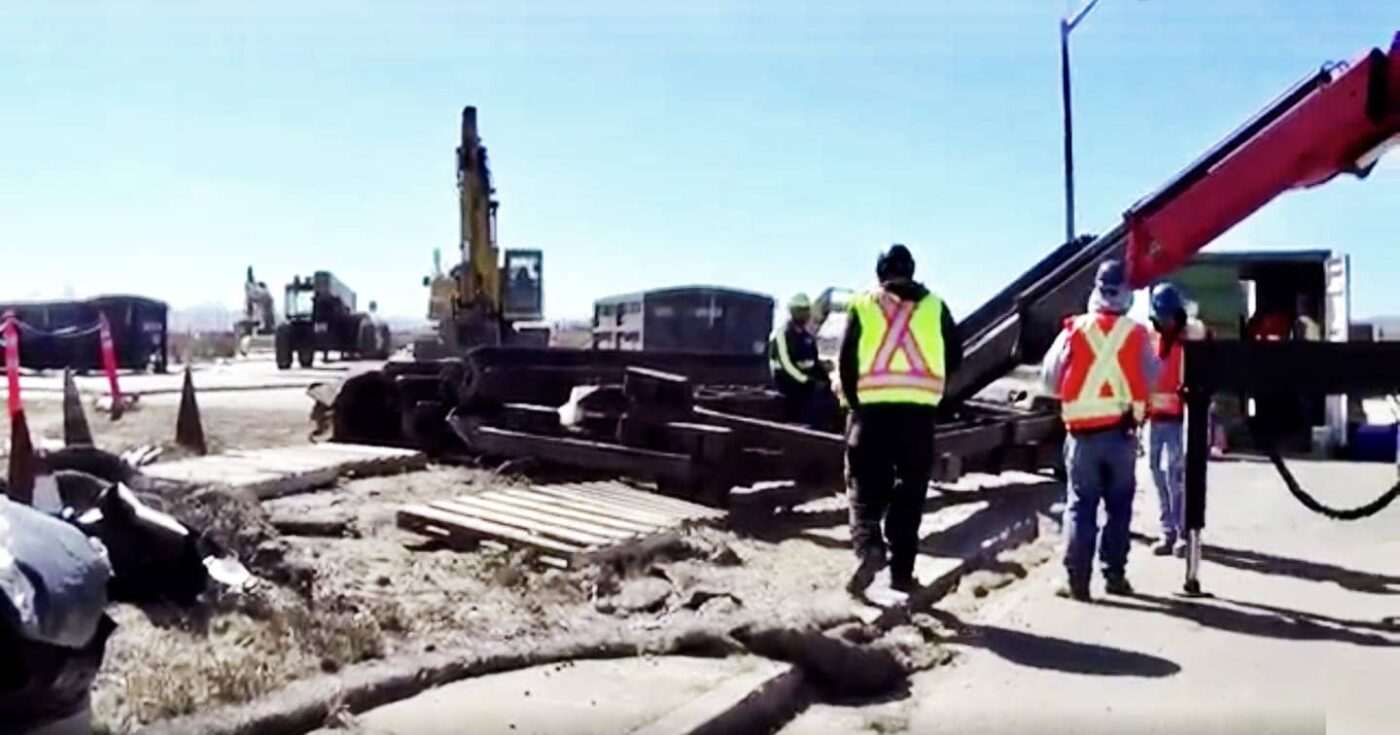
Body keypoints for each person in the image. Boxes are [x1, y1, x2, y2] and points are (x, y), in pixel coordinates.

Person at [839, 244, 962, 595]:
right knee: (910, 494)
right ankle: (902, 575)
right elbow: (955, 355)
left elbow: (847, 361)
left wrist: (854, 403)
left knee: (863, 487)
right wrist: (930, 387)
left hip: (872, 413)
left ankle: (869, 548)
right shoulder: (936, 306)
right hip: (919, 416)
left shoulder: (863, 304)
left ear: (880, 272)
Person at [1041, 260, 1157, 601]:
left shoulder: (1074, 330)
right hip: (1121, 436)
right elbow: (1151, 378)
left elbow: (1049, 381)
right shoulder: (1137, 335)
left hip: (1082, 439)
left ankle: (1077, 582)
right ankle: (1115, 576)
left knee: (1081, 506)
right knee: (1119, 507)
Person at [1147, 284, 1189, 557]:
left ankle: (1183, 533)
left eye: (1168, 315)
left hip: (1178, 421)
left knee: (1177, 477)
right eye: (1161, 315)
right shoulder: (1150, 339)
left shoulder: (1189, 341)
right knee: (1157, 474)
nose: (1165, 321)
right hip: (1153, 420)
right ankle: (1167, 531)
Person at [768, 293, 828, 425]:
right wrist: (807, 381)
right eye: (801, 311)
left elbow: (814, 362)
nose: (805, 314)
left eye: (806, 310)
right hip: (786, 384)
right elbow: (786, 364)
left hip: (805, 384)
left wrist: (826, 379)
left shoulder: (807, 337)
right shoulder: (781, 335)